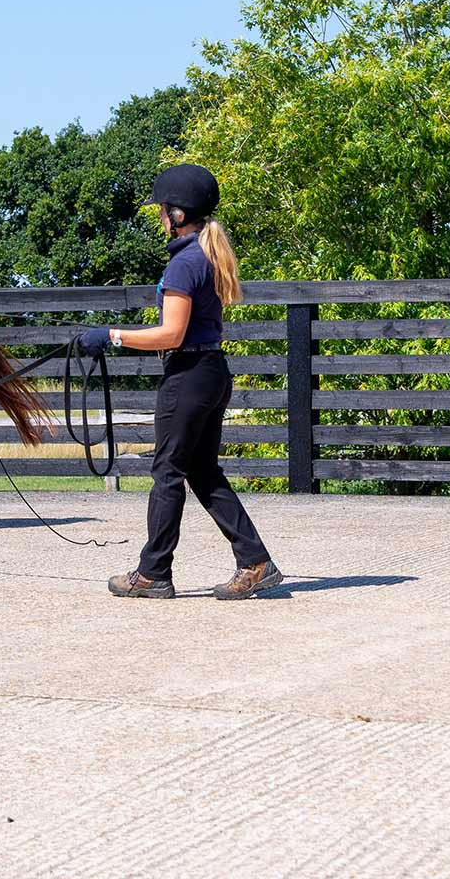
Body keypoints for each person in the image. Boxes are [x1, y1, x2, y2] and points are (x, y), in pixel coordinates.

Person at [77, 164, 283, 601]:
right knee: (202, 471)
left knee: (168, 473)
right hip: (211, 372)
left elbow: (170, 334)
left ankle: (153, 573)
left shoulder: (184, 263)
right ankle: (256, 561)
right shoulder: (204, 256)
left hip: (187, 377)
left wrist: (109, 335)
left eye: (162, 211)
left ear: (177, 212)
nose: (159, 218)